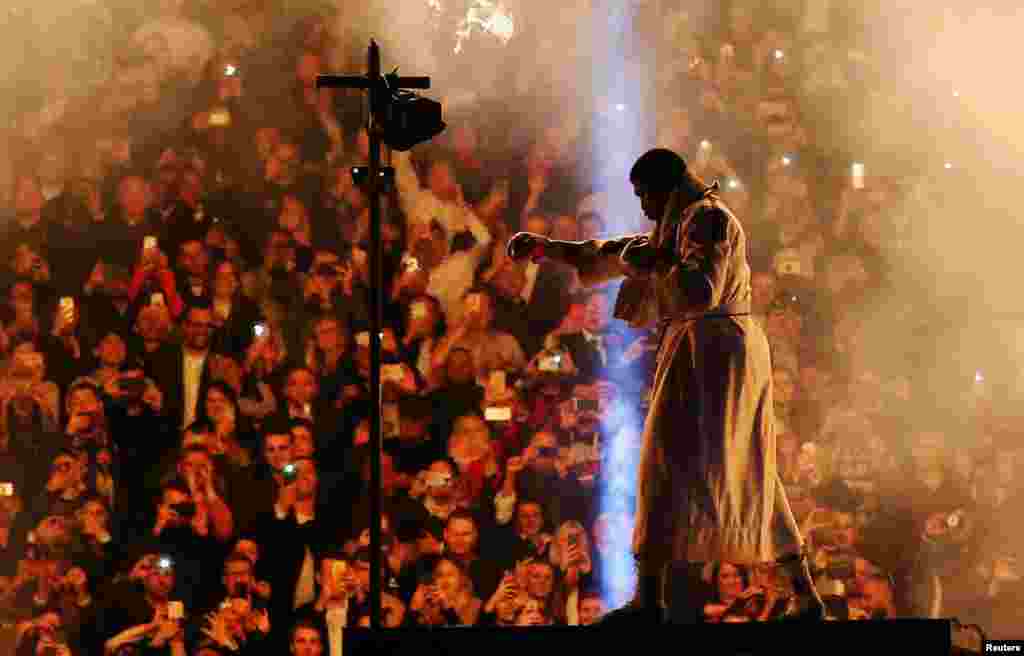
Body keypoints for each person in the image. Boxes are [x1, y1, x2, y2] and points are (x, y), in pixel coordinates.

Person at [507, 148, 824, 624]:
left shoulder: (708, 220)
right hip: (705, 347)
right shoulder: (681, 223)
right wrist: (547, 248)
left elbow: (700, 290)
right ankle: (801, 594)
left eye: (643, 195)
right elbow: (607, 253)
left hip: (716, 350)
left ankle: (651, 599)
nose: (643, 207)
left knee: (667, 459)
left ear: (664, 186)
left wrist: (648, 263)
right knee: (742, 466)